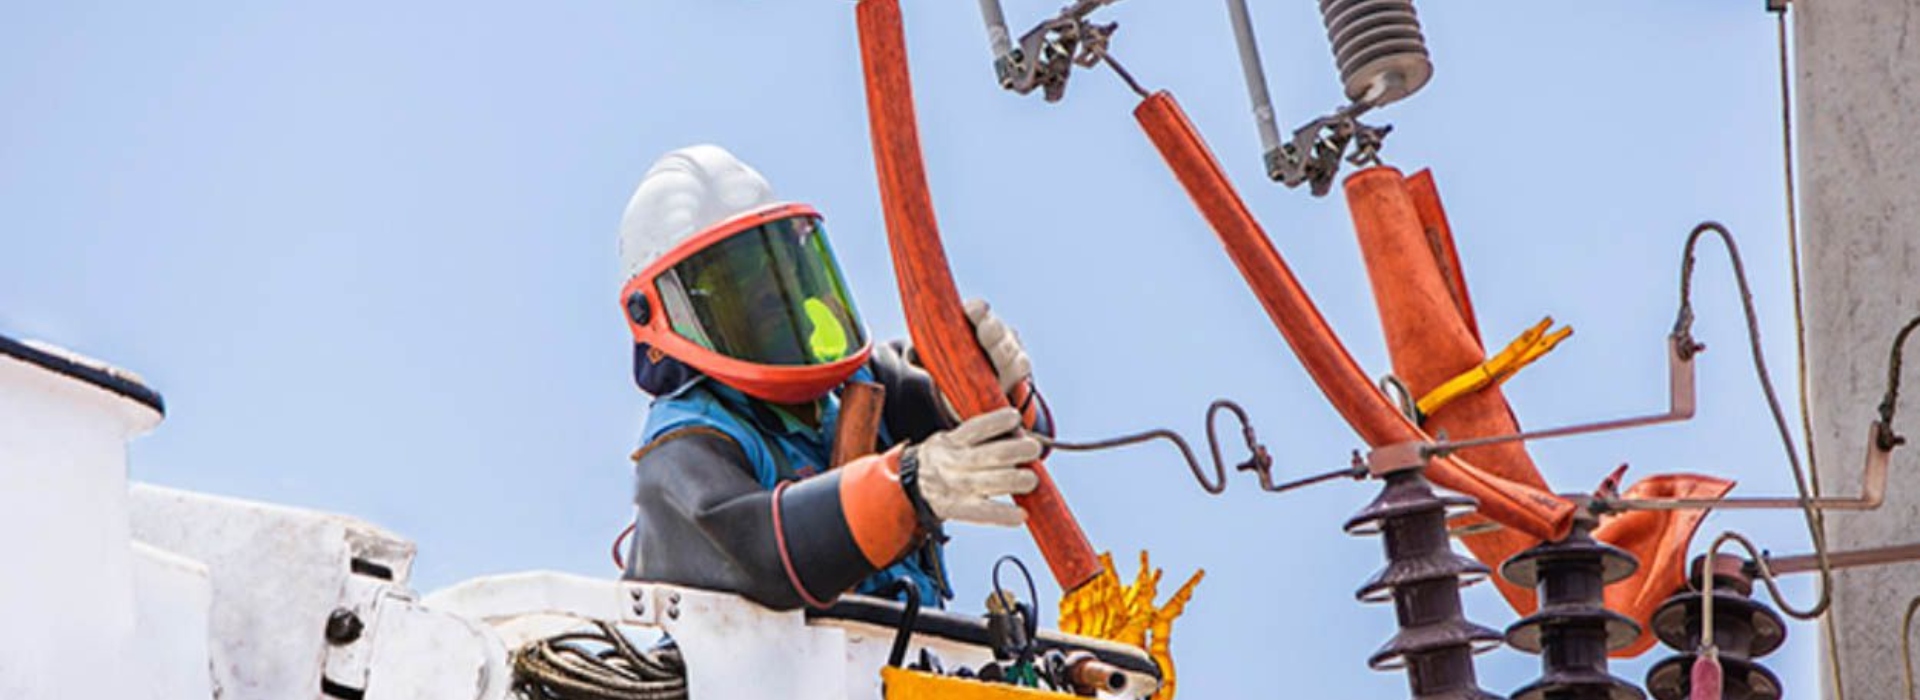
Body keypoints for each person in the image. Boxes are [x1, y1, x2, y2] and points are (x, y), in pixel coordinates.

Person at [616, 144, 1045, 609]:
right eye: (730, 280)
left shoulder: (858, 385)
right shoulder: (684, 443)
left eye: (773, 264)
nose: (767, 292)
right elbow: (757, 551)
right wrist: (905, 486)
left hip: (897, 651)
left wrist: (990, 383)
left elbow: (1024, 442)